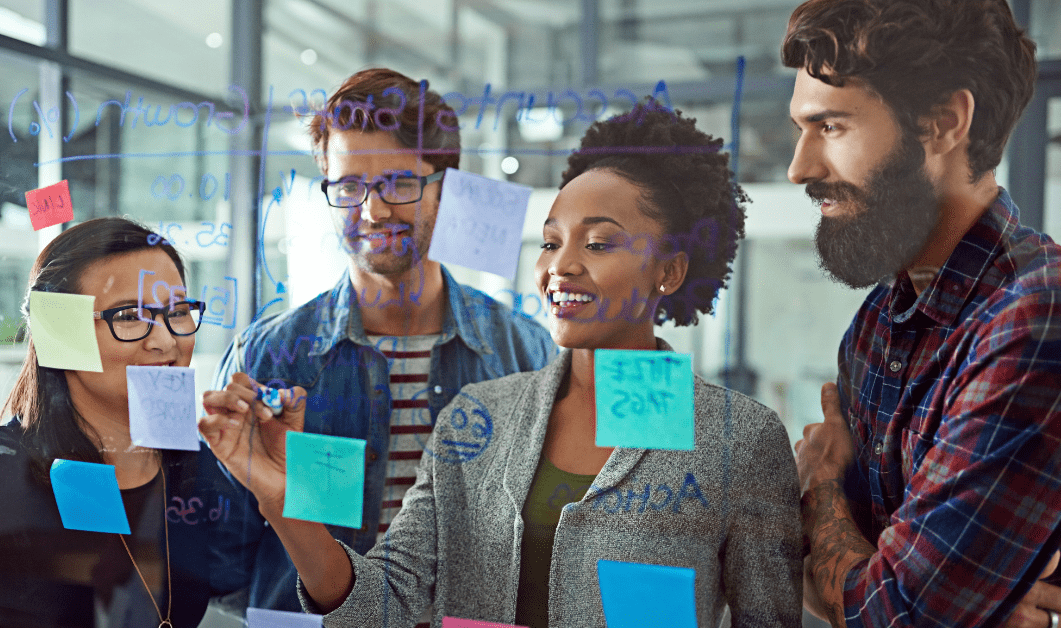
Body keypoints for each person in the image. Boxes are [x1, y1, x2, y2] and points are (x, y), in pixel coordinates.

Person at [202, 101, 803, 628]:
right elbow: (382, 602)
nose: (560, 266)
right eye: (549, 241)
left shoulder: (737, 439)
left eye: (597, 242)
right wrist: (287, 507)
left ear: (669, 271)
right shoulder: (480, 414)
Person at [213, 67, 555, 613]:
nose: (372, 210)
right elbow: (225, 554)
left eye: (397, 183)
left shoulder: (524, 353)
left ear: (446, 188)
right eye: (349, 186)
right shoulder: (268, 357)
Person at [784, 1, 1061, 627]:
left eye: (830, 127)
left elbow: (895, 613)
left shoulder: (1036, 318)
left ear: (942, 123)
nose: (799, 167)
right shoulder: (876, 327)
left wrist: (820, 486)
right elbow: (822, 577)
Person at [0, 217, 257, 628]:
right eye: (130, 316)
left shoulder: (196, 472)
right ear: (59, 332)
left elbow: (282, 592)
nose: (165, 340)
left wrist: (272, 483)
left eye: (177, 312)